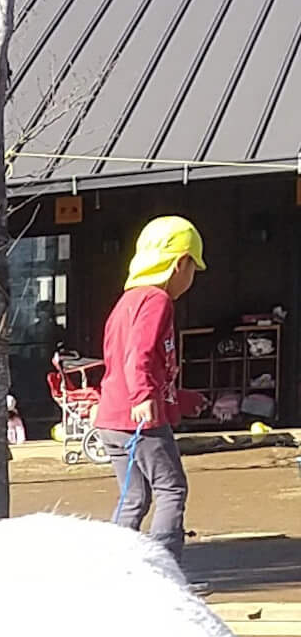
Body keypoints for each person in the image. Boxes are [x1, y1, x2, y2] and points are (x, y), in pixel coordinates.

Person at [96, 215, 202, 558]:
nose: (192, 278)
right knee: (172, 488)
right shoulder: (157, 301)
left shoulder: (126, 302)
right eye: (193, 269)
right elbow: (138, 353)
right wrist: (143, 395)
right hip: (138, 418)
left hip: (110, 417)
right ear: (180, 264)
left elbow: (124, 359)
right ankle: (164, 568)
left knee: (134, 496)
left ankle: (114, 566)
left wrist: (180, 399)